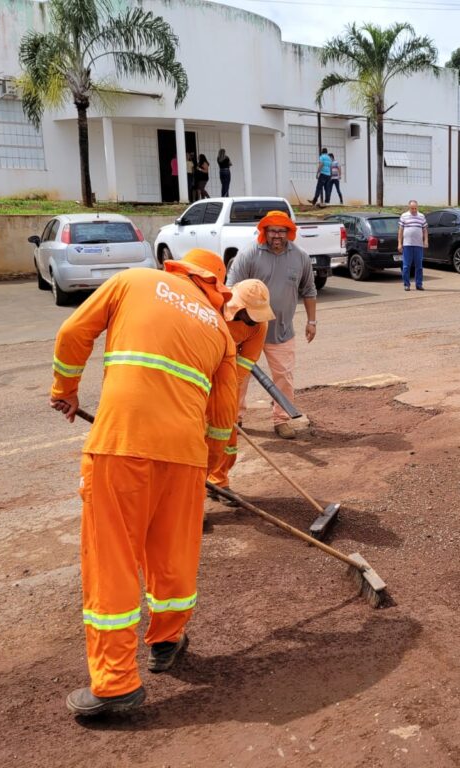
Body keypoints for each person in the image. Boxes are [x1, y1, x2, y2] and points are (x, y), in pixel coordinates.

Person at [49, 248, 238, 716]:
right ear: (216, 287)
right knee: (172, 554)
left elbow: (74, 333)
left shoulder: (133, 280)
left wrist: (65, 391)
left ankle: (115, 685)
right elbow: (223, 418)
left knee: (112, 558)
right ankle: (167, 641)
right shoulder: (220, 330)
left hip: (122, 444)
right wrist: (210, 470)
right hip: (186, 457)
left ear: (177, 268)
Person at [226, 210, 317, 439]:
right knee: (239, 377)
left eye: (282, 231)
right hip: (246, 330)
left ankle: (281, 419)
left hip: (282, 330)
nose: (277, 235)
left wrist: (311, 321)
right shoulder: (248, 255)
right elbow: (230, 290)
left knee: (284, 378)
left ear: (289, 232)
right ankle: (233, 419)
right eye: (272, 230)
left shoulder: (300, 257)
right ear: (264, 232)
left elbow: (309, 290)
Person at [206, 279, 274, 500]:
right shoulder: (210, 309)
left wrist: (224, 394)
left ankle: (218, 482)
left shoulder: (259, 325)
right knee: (195, 436)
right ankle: (192, 493)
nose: (255, 319)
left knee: (226, 434)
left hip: (227, 378)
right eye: (251, 313)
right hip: (198, 373)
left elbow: (246, 361)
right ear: (238, 306)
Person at [397, 199, 428, 291]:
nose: (414, 210)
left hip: (418, 245)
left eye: (415, 208)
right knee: (406, 266)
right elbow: (400, 230)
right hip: (407, 245)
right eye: (412, 208)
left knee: (419, 266)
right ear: (409, 207)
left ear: (417, 207)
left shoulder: (421, 216)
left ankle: (419, 284)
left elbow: (425, 230)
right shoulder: (404, 216)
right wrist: (399, 243)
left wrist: (426, 241)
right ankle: (406, 284)